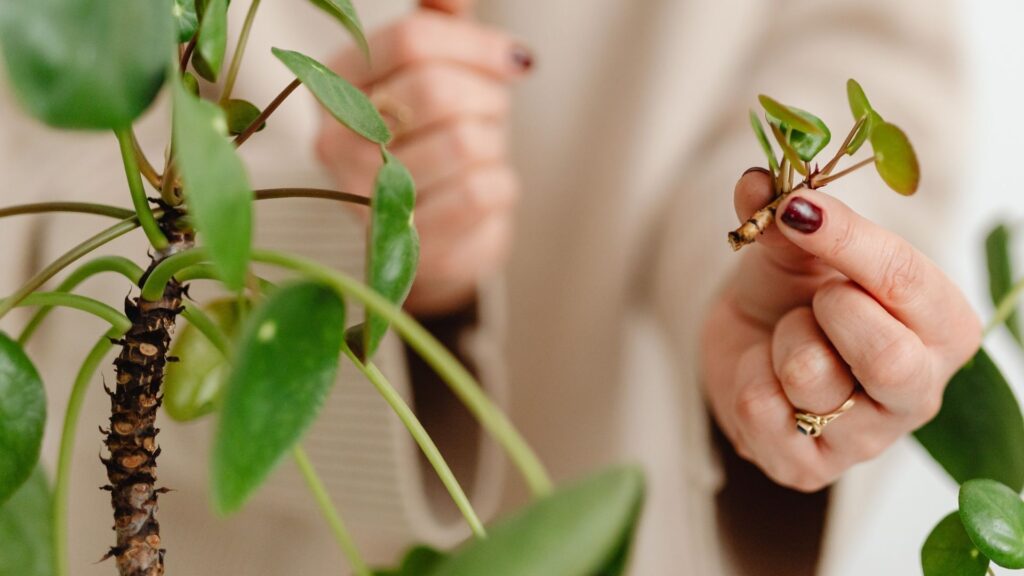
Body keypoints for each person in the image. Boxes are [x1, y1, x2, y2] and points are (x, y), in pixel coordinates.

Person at [0, 0, 969, 574]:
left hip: (620, 480)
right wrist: (334, 255)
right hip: (193, 520)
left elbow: (861, 44)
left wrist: (796, 310)